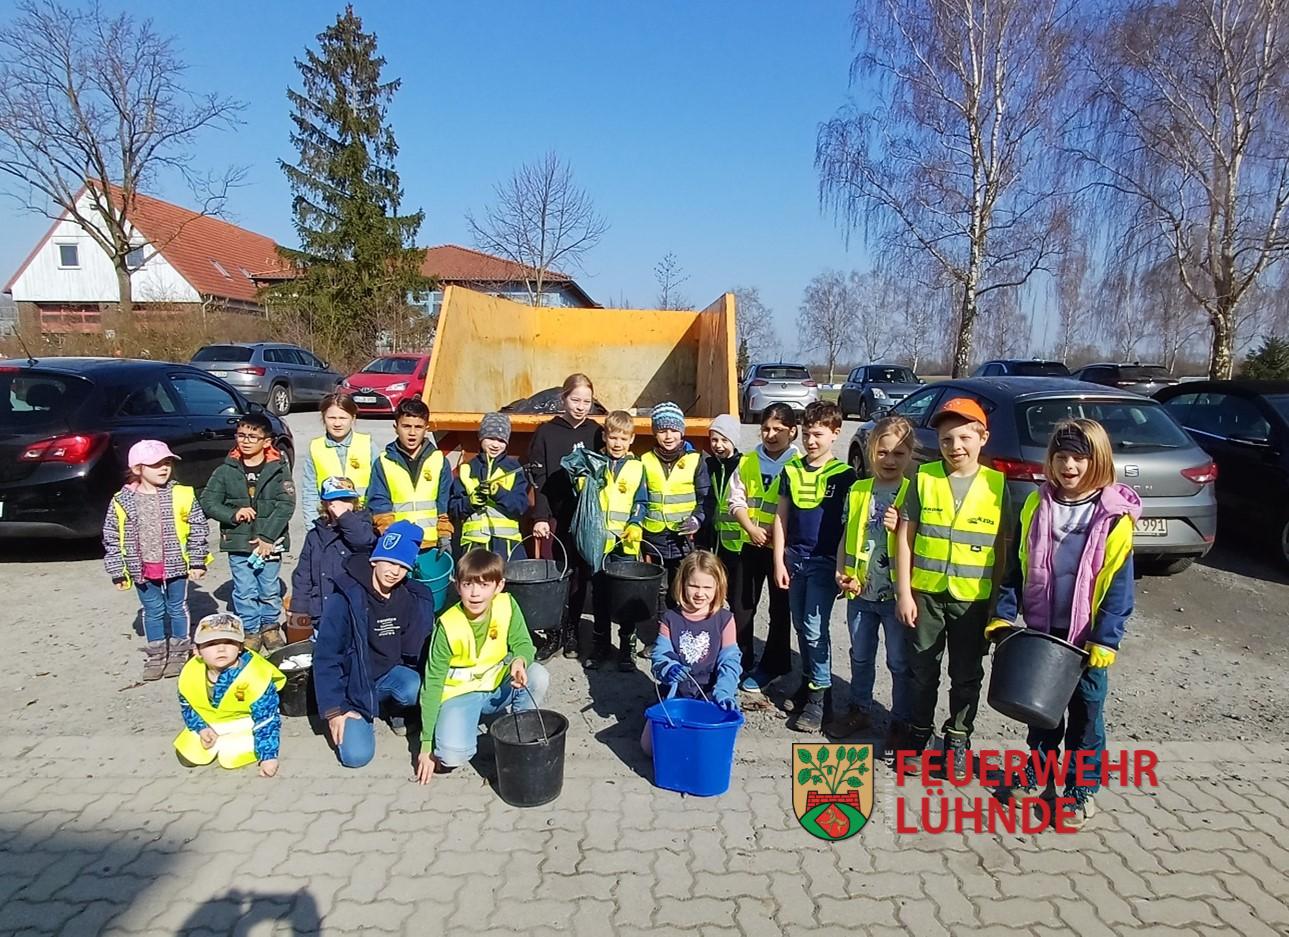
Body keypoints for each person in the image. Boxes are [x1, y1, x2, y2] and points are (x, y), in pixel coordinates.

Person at [987, 419, 1139, 829]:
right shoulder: (1037, 505)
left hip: (1088, 641)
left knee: (1086, 716)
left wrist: (1106, 639)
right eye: (1062, 456)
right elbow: (1017, 566)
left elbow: (1118, 587)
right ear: (1050, 461)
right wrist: (1003, 613)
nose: (1069, 465)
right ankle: (1038, 771)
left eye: (1079, 457)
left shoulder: (1113, 517)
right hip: (1043, 633)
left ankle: (1081, 788)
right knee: (1041, 710)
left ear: (1098, 461)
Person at [895, 397, 1011, 774]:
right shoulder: (924, 479)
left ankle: (958, 736)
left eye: (964, 438)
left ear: (983, 439)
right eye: (946, 440)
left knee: (966, 675)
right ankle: (920, 733)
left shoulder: (997, 486)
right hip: (926, 595)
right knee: (922, 669)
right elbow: (905, 537)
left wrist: (998, 606)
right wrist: (904, 593)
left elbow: (1003, 549)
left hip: (972, 601)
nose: (955, 447)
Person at [415, 548, 550, 782]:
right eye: (468, 584)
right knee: (450, 757)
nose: (475, 593)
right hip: (460, 695)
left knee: (537, 675)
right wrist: (426, 745)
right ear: (457, 586)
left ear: (499, 586)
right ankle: (460, 725)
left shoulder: (507, 605)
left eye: (484, 585)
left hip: (497, 687)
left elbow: (523, 643)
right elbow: (433, 683)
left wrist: (519, 660)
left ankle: (518, 730)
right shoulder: (447, 625)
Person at [313, 520, 438, 768]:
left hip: (387, 676)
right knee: (356, 757)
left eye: (402, 566)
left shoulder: (411, 597)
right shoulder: (345, 598)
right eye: (390, 562)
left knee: (414, 686)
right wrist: (334, 711)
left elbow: (418, 650)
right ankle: (361, 713)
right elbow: (326, 657)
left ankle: (396, 710)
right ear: (375, 559)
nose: (394, 571)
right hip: (353, 685)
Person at [832, 416, 915, 750]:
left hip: (895, 596)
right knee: (861, 655)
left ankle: (901, 720)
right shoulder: (858, 489)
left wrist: (903, 527)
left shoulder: (913, 492)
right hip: (860, 592)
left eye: (899, 453)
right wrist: (841, 571)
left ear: (910, 455)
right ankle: (859, 709)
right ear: (870, 453)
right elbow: (845, 536)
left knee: (898, 660)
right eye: (883, 453)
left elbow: (921, 543)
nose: (890, 460)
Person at [773, 401, 856, 733]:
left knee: (813, 629)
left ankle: (821, 703)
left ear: (835, 434)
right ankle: (810, 684)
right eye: (806, 434)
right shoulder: (791, 470)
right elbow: (781, 517)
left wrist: (844, 565)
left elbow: (851, 525)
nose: (811, 441)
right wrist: (779, 559)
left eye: (818, 435)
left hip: (825, 563)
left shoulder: (845, 476)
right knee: (800, 625)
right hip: (795, 560)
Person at [103, 439, 211, 681]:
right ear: (137, 469)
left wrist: (196, 561)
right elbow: (111, 536)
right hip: (140, 566)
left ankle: (179, 651)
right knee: (153, 610)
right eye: (156, 465)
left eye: (167, 463)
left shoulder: (181, 495)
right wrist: (117, 571)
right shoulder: (122, 501)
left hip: (175, 564)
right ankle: (156, 653)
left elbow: (198, 529)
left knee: (176, 607)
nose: (164, 469)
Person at [199, 413, 295, 653]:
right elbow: (208, 501)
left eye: (253, 436)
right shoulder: (226, 470)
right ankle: (251, 630)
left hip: (271, 544)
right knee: (244, 590)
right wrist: (232, 514)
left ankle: (269, 627)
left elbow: (286, 505)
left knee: (269, 587)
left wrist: (268, 537)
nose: (246, 441)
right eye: (241, 435)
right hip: (238, 542)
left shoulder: (278, 470)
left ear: (267, 441)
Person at [527, 373, 604, 660]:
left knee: (584, 576)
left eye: (587, 401)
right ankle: (558, 632)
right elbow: (539, 478)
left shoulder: (596, 432)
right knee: (561, 575)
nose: (581, 406)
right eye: (575, 400)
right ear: (563, 399)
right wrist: (541, 516)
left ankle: (577, 632)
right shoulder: (547, 433)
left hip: (586, 519)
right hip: (557, 518)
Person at [642, 550, 741, 755]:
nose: (699, 593)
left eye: (707, 587)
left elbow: (730, 661)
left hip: (711, 695)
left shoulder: (725, 619)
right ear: (682, 584)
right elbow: (661, 654)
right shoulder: (670, 618)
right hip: (677, 694)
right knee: (648, 748)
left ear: (718, 588)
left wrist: (723, 691)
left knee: (707, 749)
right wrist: (668, 668)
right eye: (694, 585)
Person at [731, 404, 801, 690]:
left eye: (778, 430)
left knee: (780, 608)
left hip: (782, 551)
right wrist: (750, 528)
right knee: (742, 604)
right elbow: (736, 500)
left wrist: (777, 534)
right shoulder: (747, 461)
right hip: (751, 544)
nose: (770, 435)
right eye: (765, 429)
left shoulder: (799, 465)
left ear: (792, 431)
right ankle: (739, 659)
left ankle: (775, 663)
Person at [637, 401, 712, 653]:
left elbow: (705, 499)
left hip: (684, 539)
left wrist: (697, 520)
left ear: (682, 432)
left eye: (673, 430)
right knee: (659, 591)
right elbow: (640, 498)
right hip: (655, 536)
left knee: (685, 587)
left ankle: (686, 637)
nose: (668, 436)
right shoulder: (644, 461)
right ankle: (662, 639)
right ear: (654, 433)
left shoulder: (695, 460)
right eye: (662, 430)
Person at [174, 612, 284, 777]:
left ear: (240, 647)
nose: (221, 648)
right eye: (211, 644)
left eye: (229, 642)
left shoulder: (255, 676)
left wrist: (268, 757)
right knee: (188, 755)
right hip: (211, 723)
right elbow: (187, 705)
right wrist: (201, 728)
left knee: (230, 759)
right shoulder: (191, 671)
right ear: (197, 650)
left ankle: (245, 746)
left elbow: (267, 719)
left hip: (245, 724)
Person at [586, 409, 649, 671]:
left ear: (632, 440)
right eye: (613, 437)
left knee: (625, 596)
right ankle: (600, 645)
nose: (617, 443)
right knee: (600, 595)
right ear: (605, 436)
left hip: (626, 542)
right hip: (599, 542)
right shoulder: (593, 463)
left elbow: (642, 501)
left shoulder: (637, 468)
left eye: (623, 439)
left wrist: (635, 523)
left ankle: (626, 648)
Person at [366, 398, 452, 582]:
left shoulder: (439, 461)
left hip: (431, 547)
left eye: (418, 427)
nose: (412, 433)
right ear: (395, 426)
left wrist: (445, 535)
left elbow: (445, 503)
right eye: (406, 426)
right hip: (398, 548)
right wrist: (392, 541)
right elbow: (379, 505)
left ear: (426, 428)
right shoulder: (384, 462)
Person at [288, 476, 377, 637]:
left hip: (355, 610)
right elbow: (303, 575)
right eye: (334, 500)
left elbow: (363, 541)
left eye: (346, 499)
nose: (340, 505)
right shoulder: (315, 535)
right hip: (322, 609)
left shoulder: (362, 525)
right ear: (325, 504)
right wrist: (299, 609)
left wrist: (345, 517)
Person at [449, 412, 528, 559]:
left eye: (501, 440)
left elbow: (521, 506)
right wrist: (470, 502)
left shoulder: (514, 469)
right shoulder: (467, 469)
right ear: (481, 437)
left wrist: (499, 492)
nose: (495, 444)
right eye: (491, 438)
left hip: (507, 547)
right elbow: (454, 507)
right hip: (474, 546)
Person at [301, 393, 373, 520]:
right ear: (323, 418)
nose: (337, 423)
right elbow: (309, 493)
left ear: (353, 418)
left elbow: (378, 489)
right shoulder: (316, 447)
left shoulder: (368, 445)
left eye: (343, 418)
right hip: (328, 521)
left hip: (361, 519)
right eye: (332, 418)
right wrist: (312, 526)